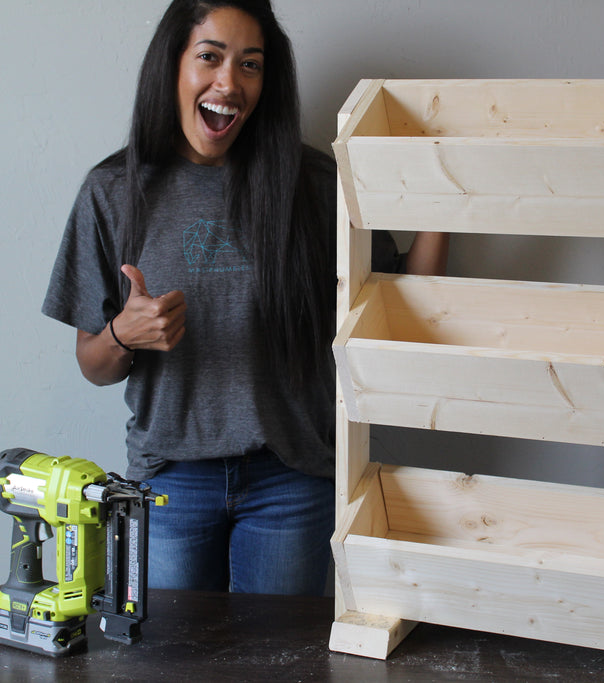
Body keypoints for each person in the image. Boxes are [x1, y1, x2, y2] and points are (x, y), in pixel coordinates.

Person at [42, 0, 448, 596]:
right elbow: (92, 365)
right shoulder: (113, 190)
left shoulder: (314, 185)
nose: (229, 83)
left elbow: (404, 304)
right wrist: (124, 334)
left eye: (250, 65)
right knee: (170, 661)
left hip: (293, 479)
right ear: (173, 66)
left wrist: (442, 200)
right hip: (170, 479)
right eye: (210, 57)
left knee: (277, 662)